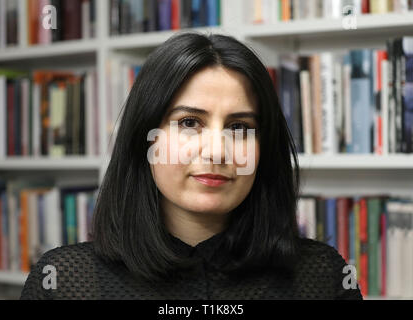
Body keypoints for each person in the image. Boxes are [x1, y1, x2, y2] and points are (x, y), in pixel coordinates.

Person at [20, 32, 362, 300]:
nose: (216, 151)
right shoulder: (62, 282)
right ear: (146, 140)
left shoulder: (323, 276)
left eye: (240, 128)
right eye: (188, 123)